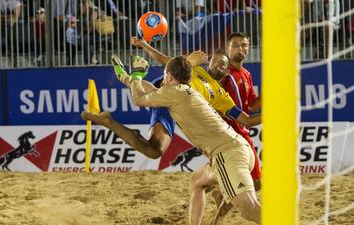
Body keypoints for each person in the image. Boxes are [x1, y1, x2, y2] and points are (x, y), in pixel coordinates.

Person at [83, 55, 261, 224]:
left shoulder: (174, 93)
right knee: (197, 181)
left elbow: (139, 98)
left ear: (168, 76)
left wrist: (136, 75)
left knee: (249, 208)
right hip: (238, 148)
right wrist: (126, 77)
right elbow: (148, 88)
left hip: (226, 153)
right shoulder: (184, 90)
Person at [189, 33, 262, 225]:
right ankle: (219, 214)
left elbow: (251, 108)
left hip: (236, 137)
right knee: (248, 195)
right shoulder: (218, 73)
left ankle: (219, 201)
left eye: (244, 45)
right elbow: (177, 68)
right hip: (226, 138)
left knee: (253, 188)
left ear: (249, 48)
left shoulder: (245, 74)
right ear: (228, 48)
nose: (240, 49)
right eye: (235, 45)